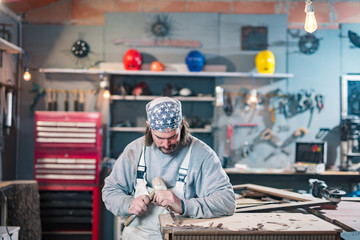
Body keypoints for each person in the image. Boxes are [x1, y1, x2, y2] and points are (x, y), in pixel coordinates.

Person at [102, 97, 235, 240]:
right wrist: (128, 204)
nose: (166, 144)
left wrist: (183, 205)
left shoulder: (202, 155)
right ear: (149, 126)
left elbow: (227, 202)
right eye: (159, 137)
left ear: (181, 125)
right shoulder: (134, 151)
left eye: (172, 136)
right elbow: (110, 191)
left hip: (182, 236)